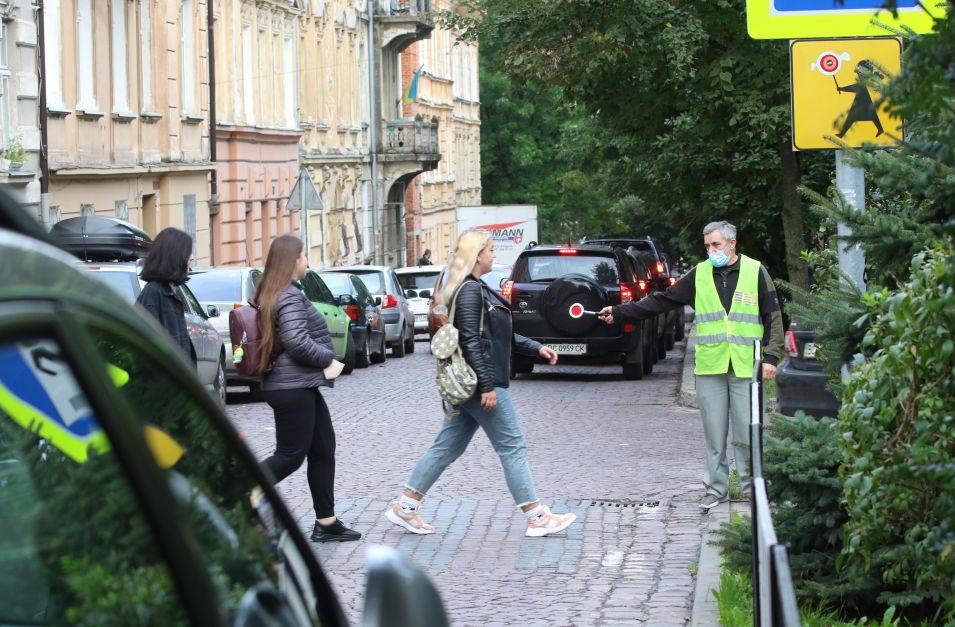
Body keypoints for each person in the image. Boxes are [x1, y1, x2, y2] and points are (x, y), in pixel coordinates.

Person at [384, 230, 577, 537]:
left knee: (448, 446)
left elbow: (496, 334)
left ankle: (405, 507)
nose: (493, 255)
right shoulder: (471, 291)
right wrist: (487, 386)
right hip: (479, 382)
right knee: (512, 445)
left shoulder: (476, 288)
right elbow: (471, 341)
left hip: (473, 382)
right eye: (489, 250)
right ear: (477, 256)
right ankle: (536, 516)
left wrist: (535, 347)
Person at [598, 220, 783, 511]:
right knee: (714, 434)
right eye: (708, 245)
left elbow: (773, 315)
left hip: (747, 367)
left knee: (749, 432)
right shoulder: (699, 274)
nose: (711, 250)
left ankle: (751, 490)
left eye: (716, 245)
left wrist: (771, 358)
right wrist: (621, 311)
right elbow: (662, 301)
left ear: (732, 244)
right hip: (711, 367)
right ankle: (716, 490)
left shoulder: (755, 270)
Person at [255, 234, 360, 542]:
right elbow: (296, 342)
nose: (306, 262)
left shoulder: (279, 291)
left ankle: (326, 523)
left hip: (299, 384)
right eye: (303, 256)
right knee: (290, 455)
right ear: (293, 260)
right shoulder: (286, 295)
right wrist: (328, 357)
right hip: (292, 387)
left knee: (323, 448)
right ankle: (243, 491)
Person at [135, 227, 195, 363]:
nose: (191, 257)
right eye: (187, 253)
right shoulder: (154, 294)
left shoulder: (168, 292)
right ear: (174, 257)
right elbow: (147, 349)